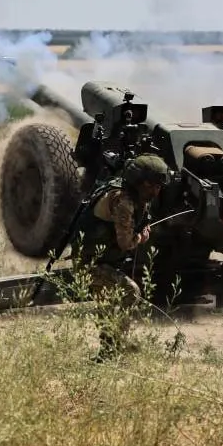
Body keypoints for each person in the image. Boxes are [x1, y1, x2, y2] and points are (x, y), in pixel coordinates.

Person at [68, 153, 170, 361]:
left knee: (107, 306)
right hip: (88, 264)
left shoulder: (137, 198)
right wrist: (141, 237)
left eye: (158, 186)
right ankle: (113, 347)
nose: (156, 191)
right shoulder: (122, 201)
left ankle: (110, 350)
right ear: (138, 183)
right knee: (130, 291)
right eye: (151, 186)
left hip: (102, 261)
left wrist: (141, 227)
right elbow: (126, 242)